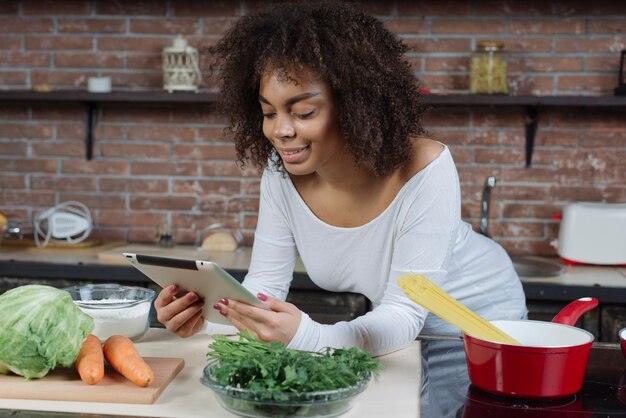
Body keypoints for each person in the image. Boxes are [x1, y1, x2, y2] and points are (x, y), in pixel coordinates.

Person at [154, 0, 527, 357]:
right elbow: (264, 288)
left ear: (354, 105)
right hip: (396, 336)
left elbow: (405, 313)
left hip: (484, 322)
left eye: (303, 112)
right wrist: (205, 320)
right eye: (269, 113)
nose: (281, 130)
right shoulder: (281, 174)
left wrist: (308, 335)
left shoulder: (423, 165)